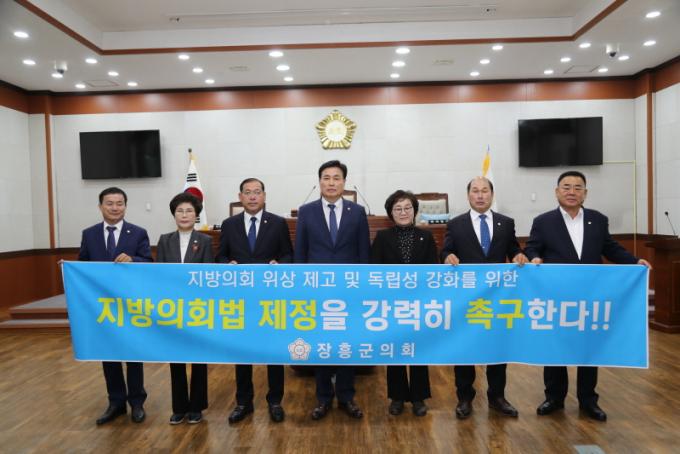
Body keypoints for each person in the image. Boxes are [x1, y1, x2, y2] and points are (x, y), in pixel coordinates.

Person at [525, 170, 651, 422]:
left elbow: (610, 248)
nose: (572, 192)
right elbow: (532, 247)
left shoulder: (598, 219)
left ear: (585, 193)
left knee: (589, 349)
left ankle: (588, 400)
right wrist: (534, 258)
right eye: (566, 187)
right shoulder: (543, 221)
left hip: (590, 297)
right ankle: (554, 398)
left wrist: (634, 261)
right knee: (555, 348)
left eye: (578, 187)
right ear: (557, 191)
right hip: (557, 297)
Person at [441, 177, 528, 419]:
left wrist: (519, 255)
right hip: (467, 298)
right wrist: (447, 256)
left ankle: (497, 396)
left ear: (492, 194)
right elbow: (446, 250)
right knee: (465, 349)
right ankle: (464, 397)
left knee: (497, 347)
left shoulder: (505, 223)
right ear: (468, 195)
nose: (480, 195)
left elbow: (513, 249)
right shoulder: (456, 224)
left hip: (498, 297)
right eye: (475, 191)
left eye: (485, 191)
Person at [295, 160, 370, 420]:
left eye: (336, 178)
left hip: (349, 291)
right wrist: (301, 288)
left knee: (347, 343)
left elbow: (364, 252)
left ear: (344, 182)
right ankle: (323, 398)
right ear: (319, 182)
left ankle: (347, 397)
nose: (331, 182)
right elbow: (300, 252)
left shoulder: (357, 212)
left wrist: (363, 288)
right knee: (322, 344)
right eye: (326, 178)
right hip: (317, 291)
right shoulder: (306, 212)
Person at [216, 178, 293, 423]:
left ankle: (275, 401)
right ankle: (243, 402)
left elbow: (288, 254)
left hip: (270, 299)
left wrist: (279, 264)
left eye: (257, 192)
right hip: (240, 300)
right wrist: (227, 264)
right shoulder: (229, 225)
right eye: (247, 192)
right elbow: (220, 256)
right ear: (240, 197)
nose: (252, 197)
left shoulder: (278, 223)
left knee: (273, 351)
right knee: (243, 351)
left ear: (264, 196)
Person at [77, 187, 152, 425]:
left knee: (133, 354)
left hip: (130, 304)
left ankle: (137, 402)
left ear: (125, 206)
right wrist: (69, 269)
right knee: (108, 354)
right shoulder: (89, 234)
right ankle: (116, 402)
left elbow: (149, 262)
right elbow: (83, 265)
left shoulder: (138, 233)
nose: (115, 208)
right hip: (102, 305)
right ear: (100, 206)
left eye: (119, 203)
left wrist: (134, 260)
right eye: (109, 203)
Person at [371, 190, 437, 417]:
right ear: (391, 213)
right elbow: (374, 270)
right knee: (395, 350)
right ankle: (397, 397)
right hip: (392, 304)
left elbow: (433, 271)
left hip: (419, 303)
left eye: (407, 208)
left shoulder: (426, 237)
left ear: (415, 211)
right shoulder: (382, 237)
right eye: (397, 209)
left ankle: (419, 397)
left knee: (418, 350)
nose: (403, 212)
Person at [156, 192, 212, 425]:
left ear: (196, 214)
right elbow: (158, 274)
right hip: (173, 308)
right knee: (176, 359)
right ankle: (179, 407)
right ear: (174, 214)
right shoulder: (164, 240)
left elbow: (209, 275)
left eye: (189, 210)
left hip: (196, 308)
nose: (184, 215)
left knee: (198, 359)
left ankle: (196, 406)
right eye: (180, 211)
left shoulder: (205, 241)